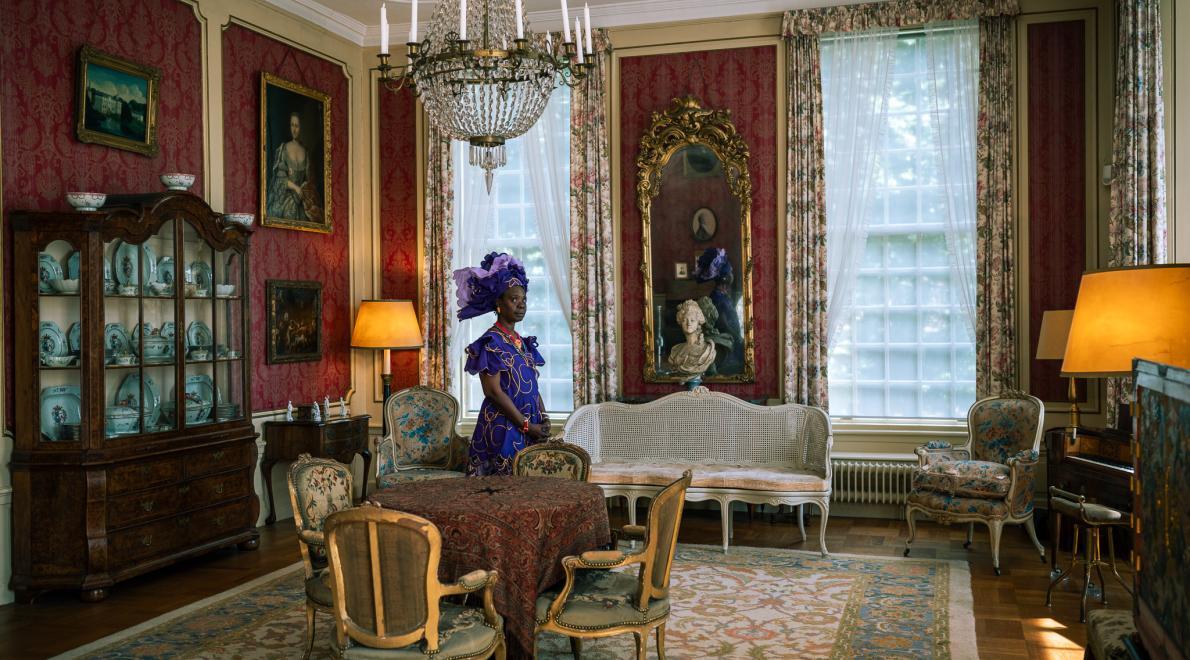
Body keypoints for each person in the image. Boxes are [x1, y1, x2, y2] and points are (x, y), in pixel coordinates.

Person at [453, 252, 551, 476]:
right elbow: (493, 392)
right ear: (498, 303)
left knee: (528, 492)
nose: (521, 305)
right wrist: (526, 425)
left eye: (523, 300)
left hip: (530, 429)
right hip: (503, 429)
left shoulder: (523, 343)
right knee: (500, 491)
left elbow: (532, 386)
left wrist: (544, 417)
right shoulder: (490, 343)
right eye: (514, 299)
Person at [694, 247, 745, 373]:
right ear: (725, 278)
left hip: (734, 337)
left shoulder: (723, 295)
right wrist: (736, 336)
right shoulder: (717, 297)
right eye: (730, 272)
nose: (732, 274)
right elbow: (722, 322)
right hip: (728, 342)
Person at [266, 111, 318, 221]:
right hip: (286, 198)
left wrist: (303, 188)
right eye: (292, 125)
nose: (294, 129)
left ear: (301, 128)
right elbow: (280, 179)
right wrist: (296, 188)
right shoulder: (283, 149)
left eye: (297, 126)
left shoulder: (306, 153)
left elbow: (310, 181)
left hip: (302, 199)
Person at [666, 299, 716, 379]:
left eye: (692, 320)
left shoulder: (707, 349)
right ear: (681, 322)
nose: (688, 323)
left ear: (698, 323)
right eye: (685, 320)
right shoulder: (675, 350)